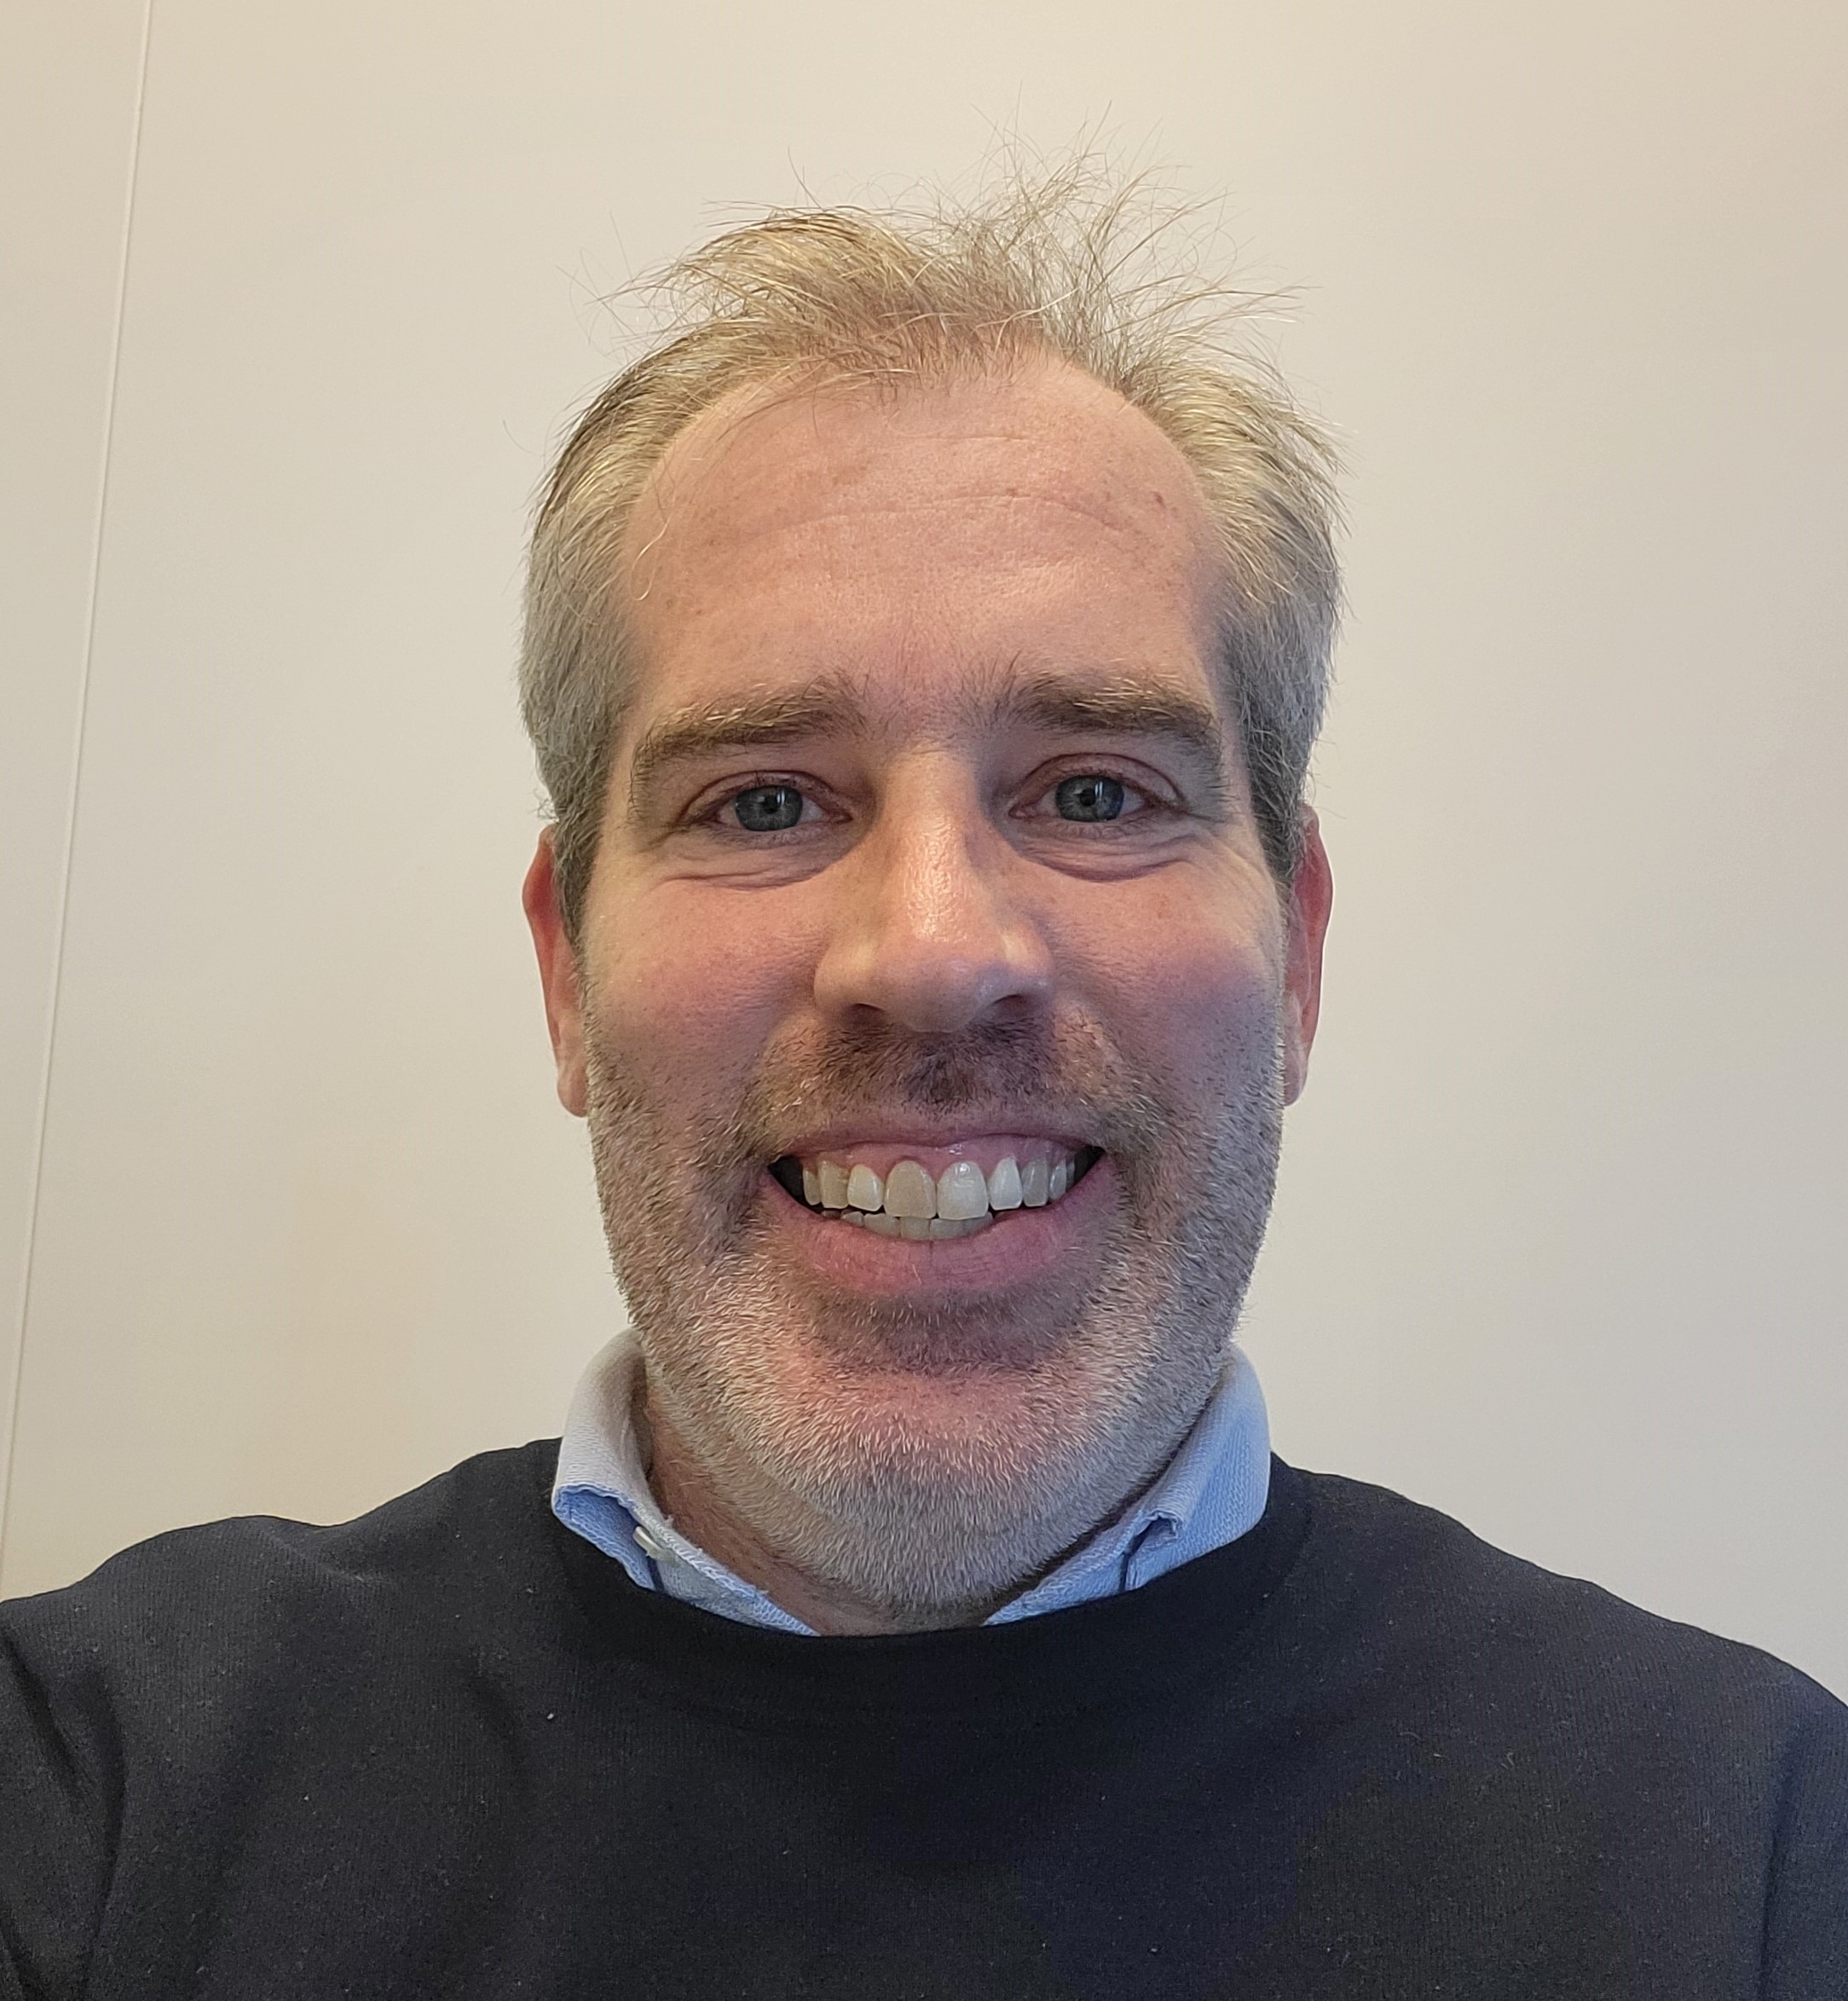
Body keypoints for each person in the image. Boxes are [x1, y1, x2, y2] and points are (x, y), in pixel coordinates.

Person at [2, 167, 1842, 2000]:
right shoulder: (94, 1793)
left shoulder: (1752, 1854)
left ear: (1296, 954)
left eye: (1095, 790)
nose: (934, 950)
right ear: (567, 970)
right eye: (765, 801)